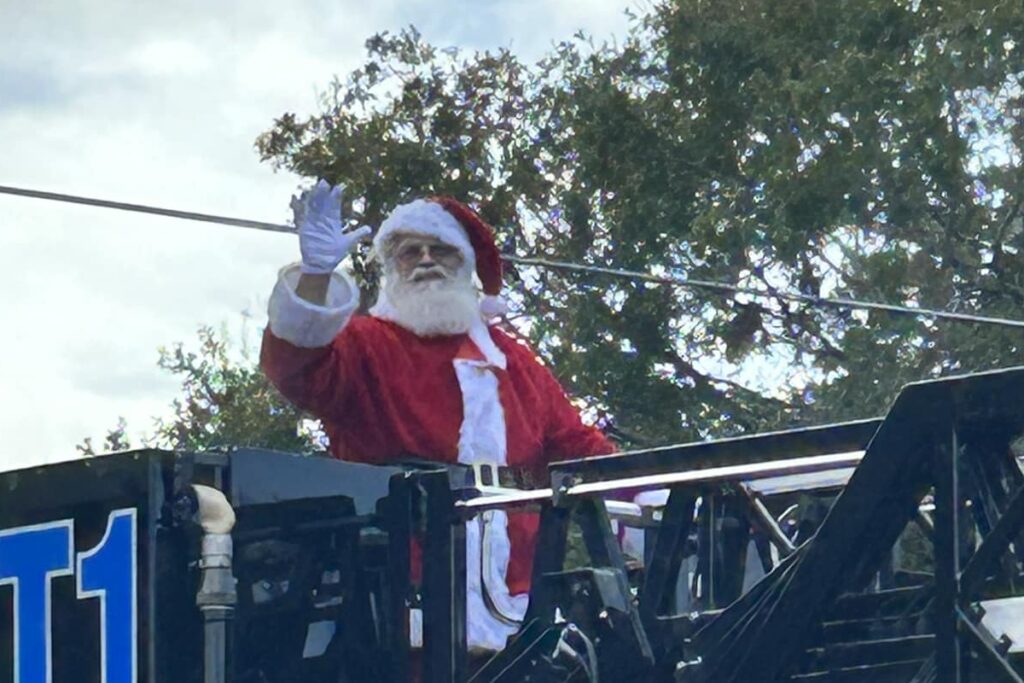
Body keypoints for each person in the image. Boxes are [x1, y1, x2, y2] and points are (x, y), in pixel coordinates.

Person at [260, 180, 614, 651]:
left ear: (465, 266)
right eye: (409, 252)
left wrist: (666, 492)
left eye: (440, 250)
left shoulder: (515, 363)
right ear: (392, 268)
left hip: (516, 605)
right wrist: (316, 277)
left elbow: (583, 450)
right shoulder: (366, 344)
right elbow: (294, 367)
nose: (425, 260)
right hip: (397, 605)